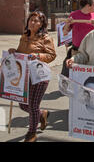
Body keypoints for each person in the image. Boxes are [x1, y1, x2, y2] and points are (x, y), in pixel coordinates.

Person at [8, 11, 56, 142]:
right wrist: (14, 52)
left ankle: (31, 133)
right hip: (25, 75)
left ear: (41, 24)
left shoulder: (46, 38)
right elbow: (20, 53)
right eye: (31, 20)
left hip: (40, 76)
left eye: (36, 21)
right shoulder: (24, 36)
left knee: (33, 105)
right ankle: (42, 115)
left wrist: (38, 56)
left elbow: (52, 55)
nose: (33, 22)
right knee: (23, 105)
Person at [61, 0, 94, 77]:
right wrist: (68, 24)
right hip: (77, 51)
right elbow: (65, 32)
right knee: (76, 74)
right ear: (88, 6)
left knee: (89, 75)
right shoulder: (74, 15)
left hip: (91, 52)